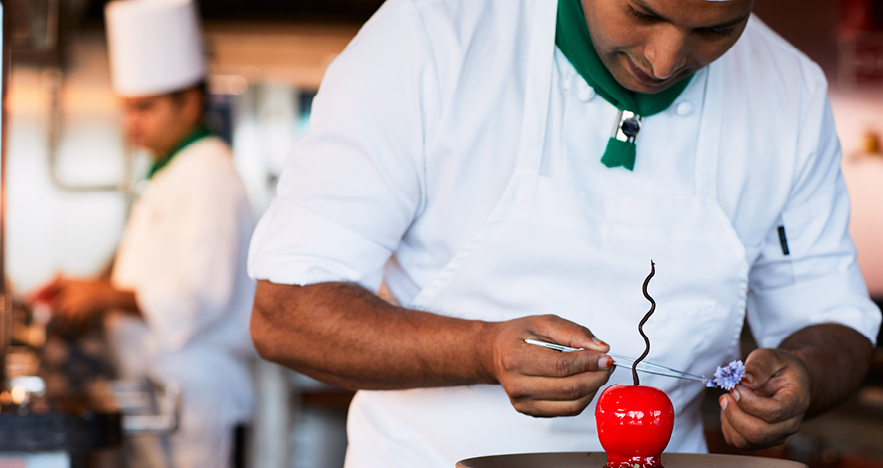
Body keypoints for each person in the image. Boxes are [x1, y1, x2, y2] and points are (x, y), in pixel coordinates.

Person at [247, 0, 883, 466]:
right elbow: (285, 315)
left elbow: (836, 321)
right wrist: (483, 351)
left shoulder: (789, 90)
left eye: (716, 30)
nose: (665, 60)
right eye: (641, 13)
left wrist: (800, 374)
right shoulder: (430, 36)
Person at [40, 0, 256, 466]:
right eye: (127, 109)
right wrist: (90, 292)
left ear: (190, 102)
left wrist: (104, 297)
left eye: (146, 108)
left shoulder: (209, 173)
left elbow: (201, 295)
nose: (131, 123)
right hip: (161, 395)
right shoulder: (169, 172)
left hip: (198, 400)